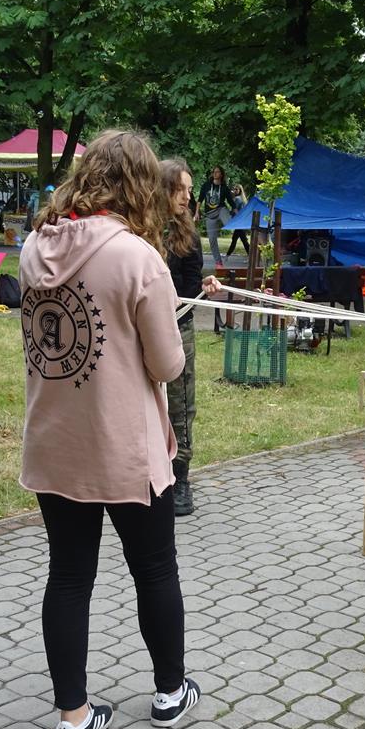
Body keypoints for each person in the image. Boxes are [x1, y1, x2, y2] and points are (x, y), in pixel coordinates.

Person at [21, 130, 208, 729]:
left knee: (68, 577)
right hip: (127, 448)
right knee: (155, 570)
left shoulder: (34, 247)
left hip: (56, 442)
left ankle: (73, 716)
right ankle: (170, 692)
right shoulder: (138, 258)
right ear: (139, 186)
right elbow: (169, 365)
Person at [160, 158, 222, 517]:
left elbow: (189, 284)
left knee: (181, 404)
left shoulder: (188, 235)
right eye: (180, 189)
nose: (187, 196)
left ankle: (180, 478)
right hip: (142, 328)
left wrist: (202, 287)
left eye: (189, 189)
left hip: (178, 326)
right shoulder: (141, 231)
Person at [197, 165, 237, 266]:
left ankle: (235, 226)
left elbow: (231, 202)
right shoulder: (206, 185)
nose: (215, 173)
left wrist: (237, 213)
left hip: (220, 210)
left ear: (221, 174)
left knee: (230, 223)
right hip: (209, 215)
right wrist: (197, 212)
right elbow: (200, 200)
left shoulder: (224, 188)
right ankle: (218, 262)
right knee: (212, 240)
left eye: (217, 172)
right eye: (213, 172)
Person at [224, 183, 250, 258]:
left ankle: (251, 256)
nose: (234, 190)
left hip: (239, 222)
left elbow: (233, 210)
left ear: (240, 190)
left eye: (236, 189)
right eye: (234, 189)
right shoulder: (243, 199)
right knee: (236, 239)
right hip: (242, 222)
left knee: (243, 241)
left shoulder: (237, 199)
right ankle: (227, 255)